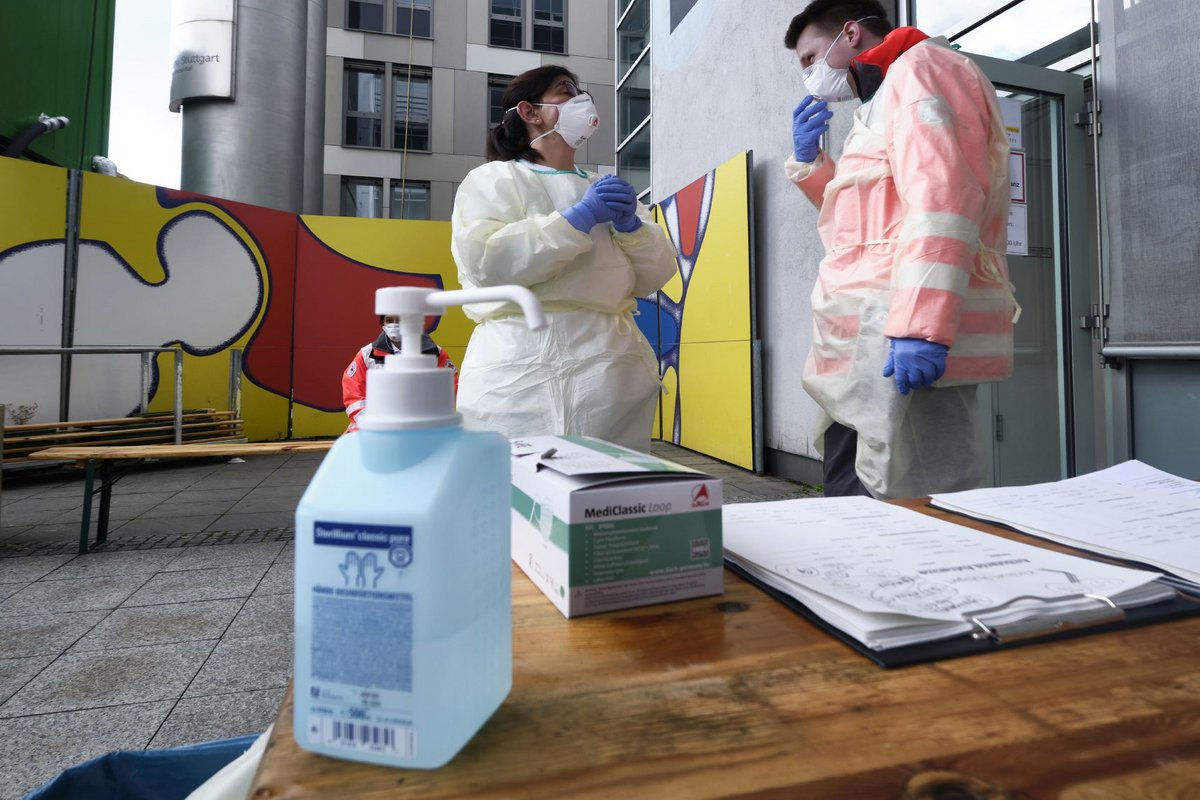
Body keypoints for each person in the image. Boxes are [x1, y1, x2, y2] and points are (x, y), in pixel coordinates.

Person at [783, 1, 1017, 498]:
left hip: (894, 335)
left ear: (850, 34)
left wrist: (920, 327)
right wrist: (812, 165)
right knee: (864, 492)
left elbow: (943, 201)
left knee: (904, 498)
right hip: (868, 338)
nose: (808, 76)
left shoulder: (921, 71)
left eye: (810, 59)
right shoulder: (887, 94)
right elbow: (864, 221)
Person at [450, 66, 677, 452]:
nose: (581, 101)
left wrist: (631, 228)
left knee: (608, 480)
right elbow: (487, 261)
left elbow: (656, 274)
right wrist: (576, 220)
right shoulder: (493, 179)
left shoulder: (602, 188)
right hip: (518, 366)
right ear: (529, 112)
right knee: (514, 477)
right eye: (566, 91)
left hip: (609, 367)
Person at [341, 314, 455, 432]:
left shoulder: (435, 354)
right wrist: (372, 422)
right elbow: (354, 395)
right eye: (389, 320)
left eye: (400, 320)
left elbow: (450, 389)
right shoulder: (367, 354)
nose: (394, 325)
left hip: (423, 425)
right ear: (382, 324)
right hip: (374, 426)